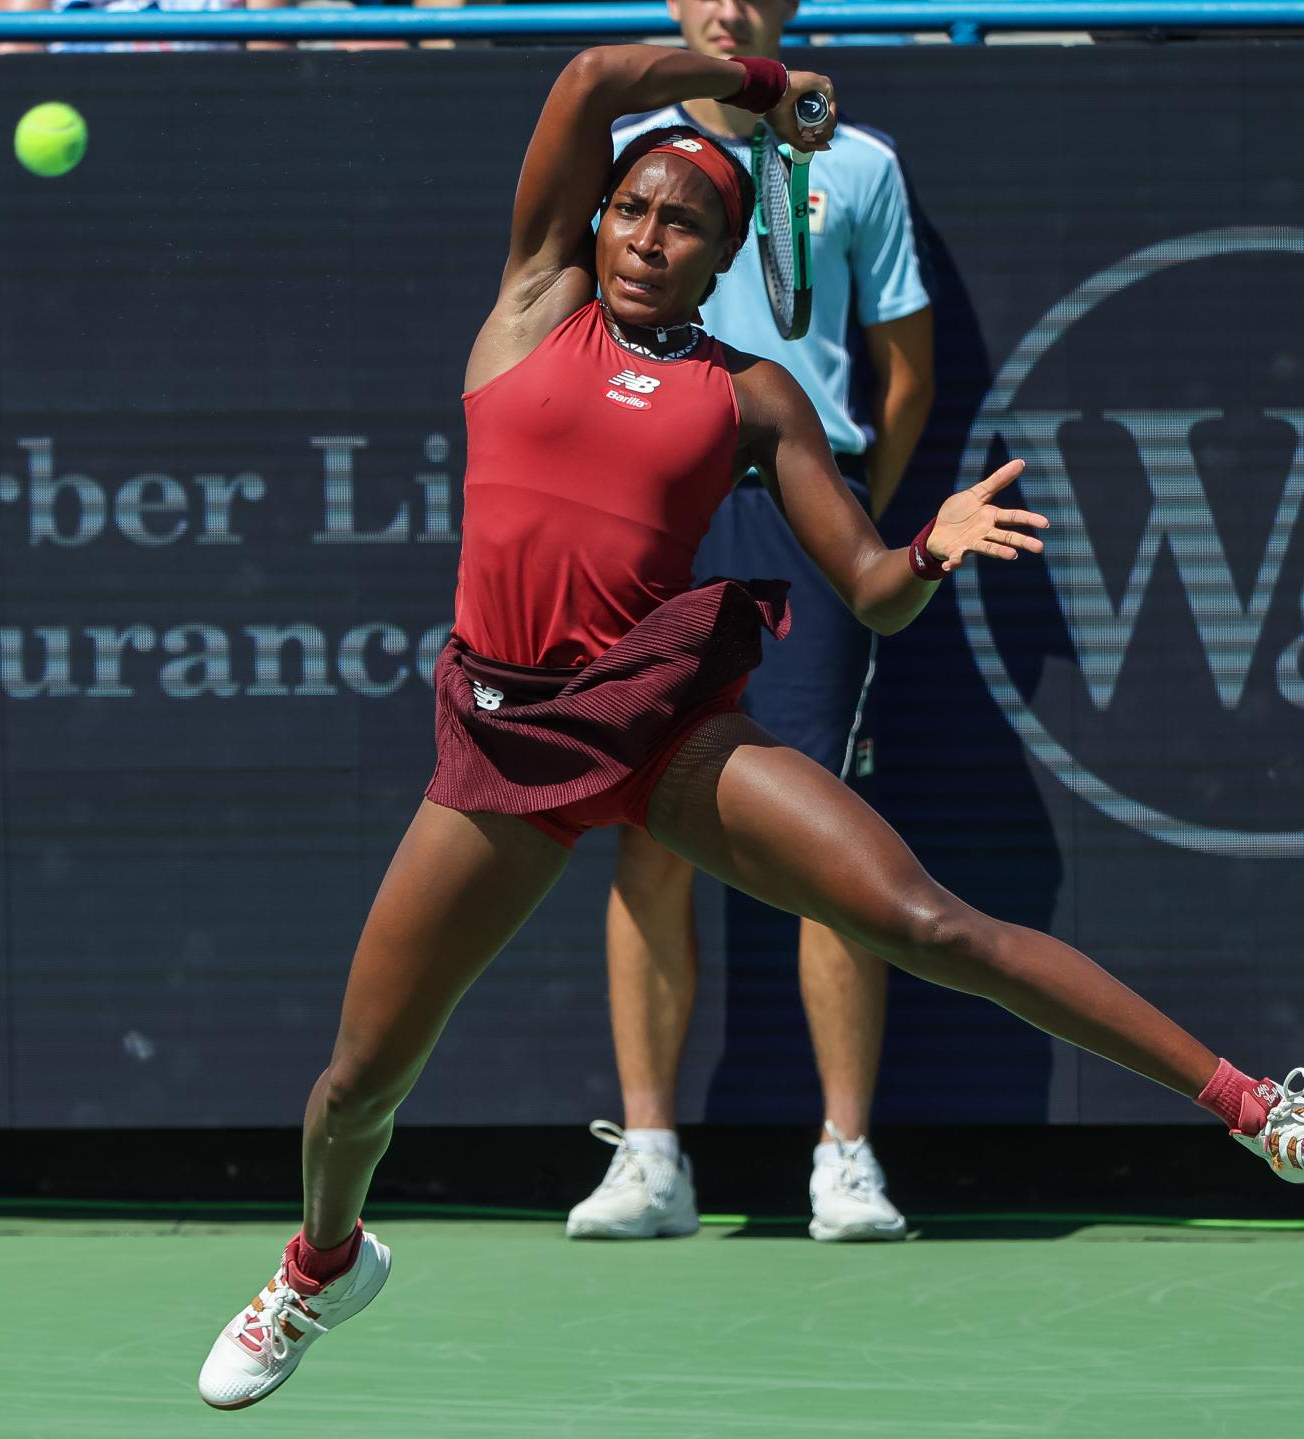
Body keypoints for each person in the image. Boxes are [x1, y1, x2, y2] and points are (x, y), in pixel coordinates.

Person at [197, 44, 1304, 1412]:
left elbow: (876, 597)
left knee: (928, 919)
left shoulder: (753, 399)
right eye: (632, 210)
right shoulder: (535, 306)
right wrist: (762, 85)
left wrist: (932, 544)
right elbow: (594, 76)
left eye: (683, 222)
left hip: (664, 728)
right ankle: (319, 1265)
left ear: (724, 260)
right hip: (501, 744)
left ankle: (1262, 1111)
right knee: (359, 1081)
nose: (647, 235)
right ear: (597, 222)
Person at [568, 0, 935, 1246]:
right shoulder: (632, 152)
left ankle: (846, 1156)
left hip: (797, 507)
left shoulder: (863, 163)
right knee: (646, 833)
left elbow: (906, 370)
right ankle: (653, 1157)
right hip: (647, 501)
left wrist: (834, 518)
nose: (728, 5)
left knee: (835, 847)